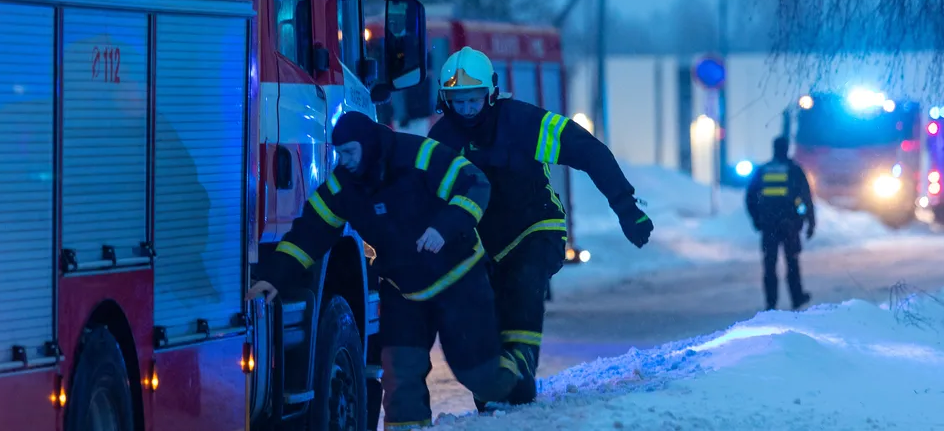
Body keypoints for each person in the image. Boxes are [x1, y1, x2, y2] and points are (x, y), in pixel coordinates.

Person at [246, 111, 528, 430]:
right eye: (341, 154)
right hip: (402, 289)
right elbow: (309, 232)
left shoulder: (418, 155)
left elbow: (474, 183)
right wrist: (273, 278)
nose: (346, 160)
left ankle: (517, 385)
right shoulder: (344, 185)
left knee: (479, 374)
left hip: (458, 279)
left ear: (367, 145)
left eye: (350, 151)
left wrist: (444, 228)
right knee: (400, 376)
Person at [427, 47, 654, 409]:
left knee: (524, 281)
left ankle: (519, 366)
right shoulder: (440, 142)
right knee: (479, 306)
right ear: (445, 100)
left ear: (492, 93)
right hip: (480, 241)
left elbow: (588, 151)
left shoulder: (521, 123)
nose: (467, 109)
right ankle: (493, 381)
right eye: (459, 101)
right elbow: (419, 194)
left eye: (474, 99)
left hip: (536, 226)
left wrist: (626, 208)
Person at [745, 136, 814, 311]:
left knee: (769, 264)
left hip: (768, 225)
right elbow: (805, 197)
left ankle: (771, 302)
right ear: (786, 149)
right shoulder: (794, 170)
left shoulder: (764, 170)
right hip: (789, 225)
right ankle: (796, 298)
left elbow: (750, 197)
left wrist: (757, 218)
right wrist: (808, 221)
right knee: (792, 262)